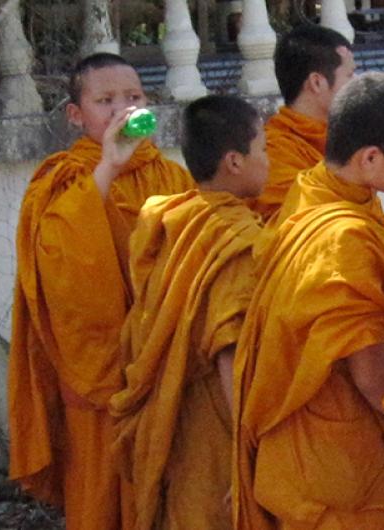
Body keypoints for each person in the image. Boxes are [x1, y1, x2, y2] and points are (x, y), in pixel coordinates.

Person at [232, 73, 384, 530]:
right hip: (337, 456)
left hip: (303, 442)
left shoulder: (312, 191)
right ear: (370, 157)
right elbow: (372, 380)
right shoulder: (344, 240)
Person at [8, 52, 194, 530]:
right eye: (105, 101)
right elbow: (63, 278)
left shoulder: (172, 177)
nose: (122, 111)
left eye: (133, 98)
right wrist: (109, 166)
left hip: (167, 370)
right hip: (99, 376)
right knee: (103, 504)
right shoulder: (61, 182)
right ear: (77, 115)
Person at [111, 95, 268, 530]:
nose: (268, 161)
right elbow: (229, 355)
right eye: (264, 149)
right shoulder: (234, 241)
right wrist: (248, 455)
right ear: (234, 162)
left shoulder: (169, 222)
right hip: (216, 429)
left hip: (172, 417)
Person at [253, 24, 356, 219]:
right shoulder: (274, 150)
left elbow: (368, 215)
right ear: (317, 82)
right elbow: (302, 224)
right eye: (349, 75)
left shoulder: (346, 139)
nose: (357, 84)